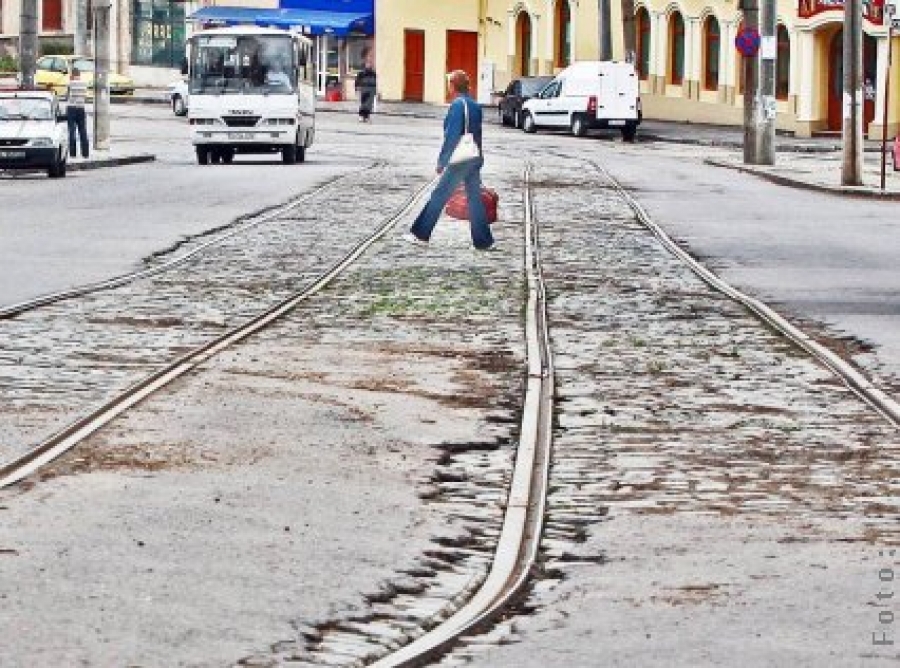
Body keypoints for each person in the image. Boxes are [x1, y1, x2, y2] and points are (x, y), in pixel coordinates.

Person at [407, 70, 494, 251]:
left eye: (449, 84)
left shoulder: (457, 105)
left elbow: (452, 136)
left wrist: (442, 161)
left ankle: (420, 234)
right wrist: (479, 159)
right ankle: (483, 241)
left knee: (439, 196)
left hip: (459, 160)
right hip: (473, 156)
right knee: (474, 199)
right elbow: (477, 135)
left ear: (453, 86)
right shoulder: (475, 106)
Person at [65, 67, 89, 160]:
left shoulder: (70, 83)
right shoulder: (84, 84)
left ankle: (73, 153)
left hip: (71, 108)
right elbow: (85, 97)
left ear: (72, 75)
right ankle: (85, 153)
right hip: (81, 108)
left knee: (72, 131)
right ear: (79, 74)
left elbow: (67, 96)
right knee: (83, 131)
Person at [354, 58, 377, 122]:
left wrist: (375, 91)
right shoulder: (361, 73)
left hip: (371, 90)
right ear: (365, 65)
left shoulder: (373, 73)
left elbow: (375, 82)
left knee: (369, 104)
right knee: (363, 103)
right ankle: (361, 116)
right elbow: (357, 81)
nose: (369, 65)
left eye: (370, 64)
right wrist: (357, 88)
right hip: (364, 89)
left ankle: (367, 116)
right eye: (368, 64)